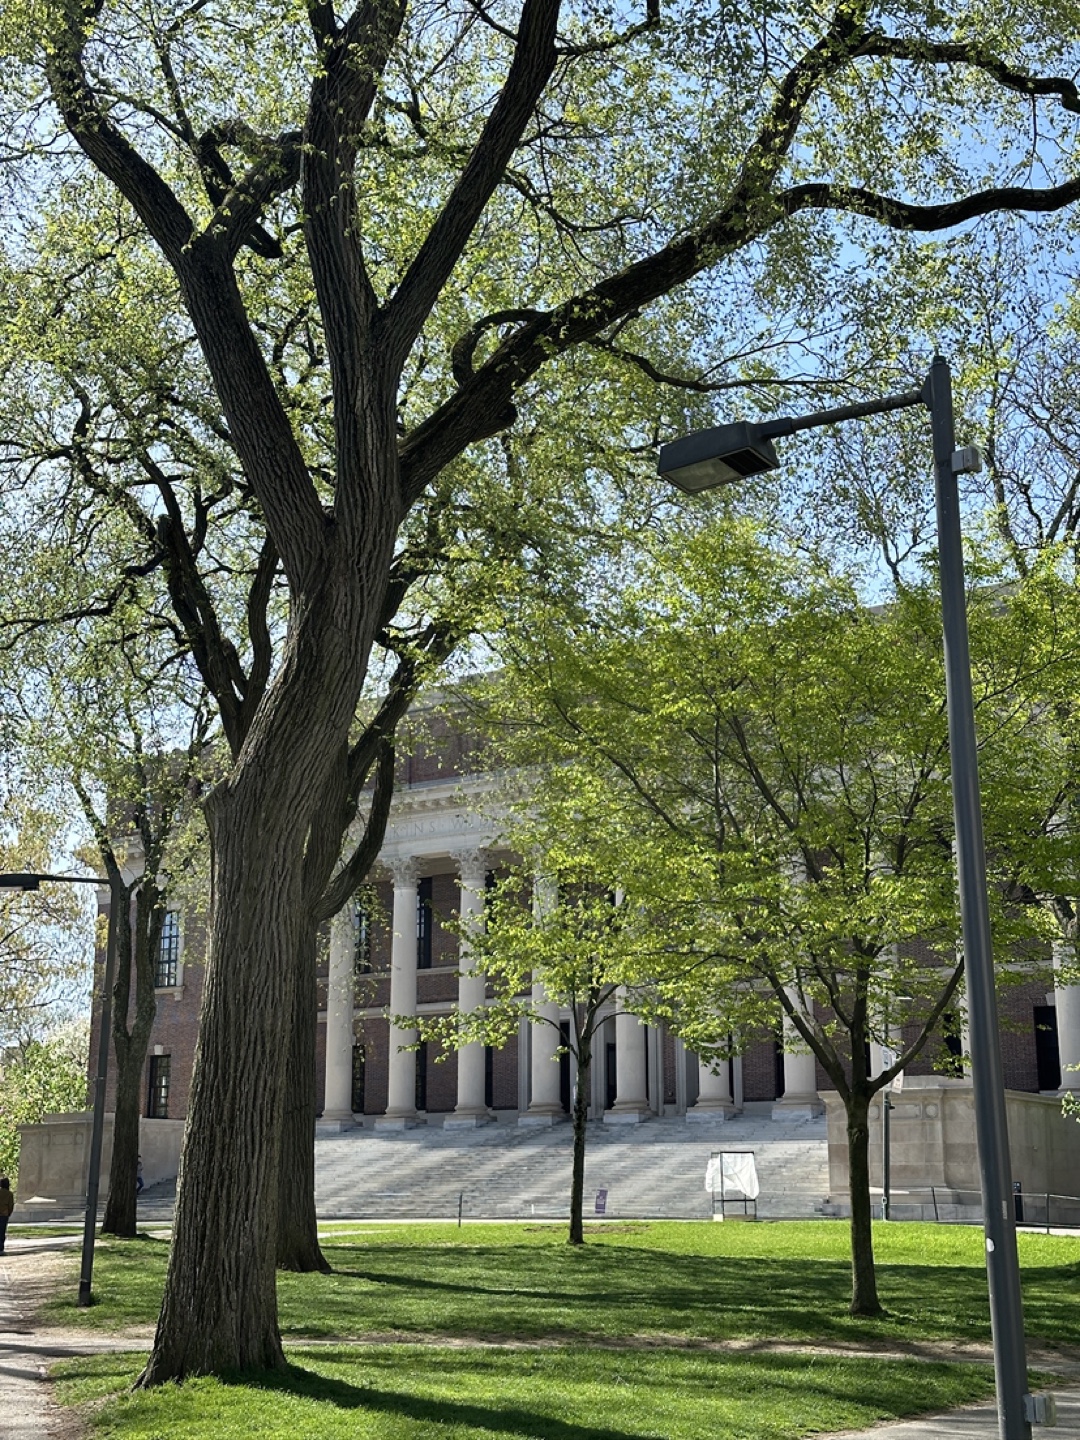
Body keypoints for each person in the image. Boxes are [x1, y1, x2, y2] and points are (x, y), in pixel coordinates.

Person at [0, 1177, 13, 1254]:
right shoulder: (9, 1194)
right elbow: (10, 1205)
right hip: (4, 1214)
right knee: (2, 1231)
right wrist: (9, 1213)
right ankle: (1, 1248)